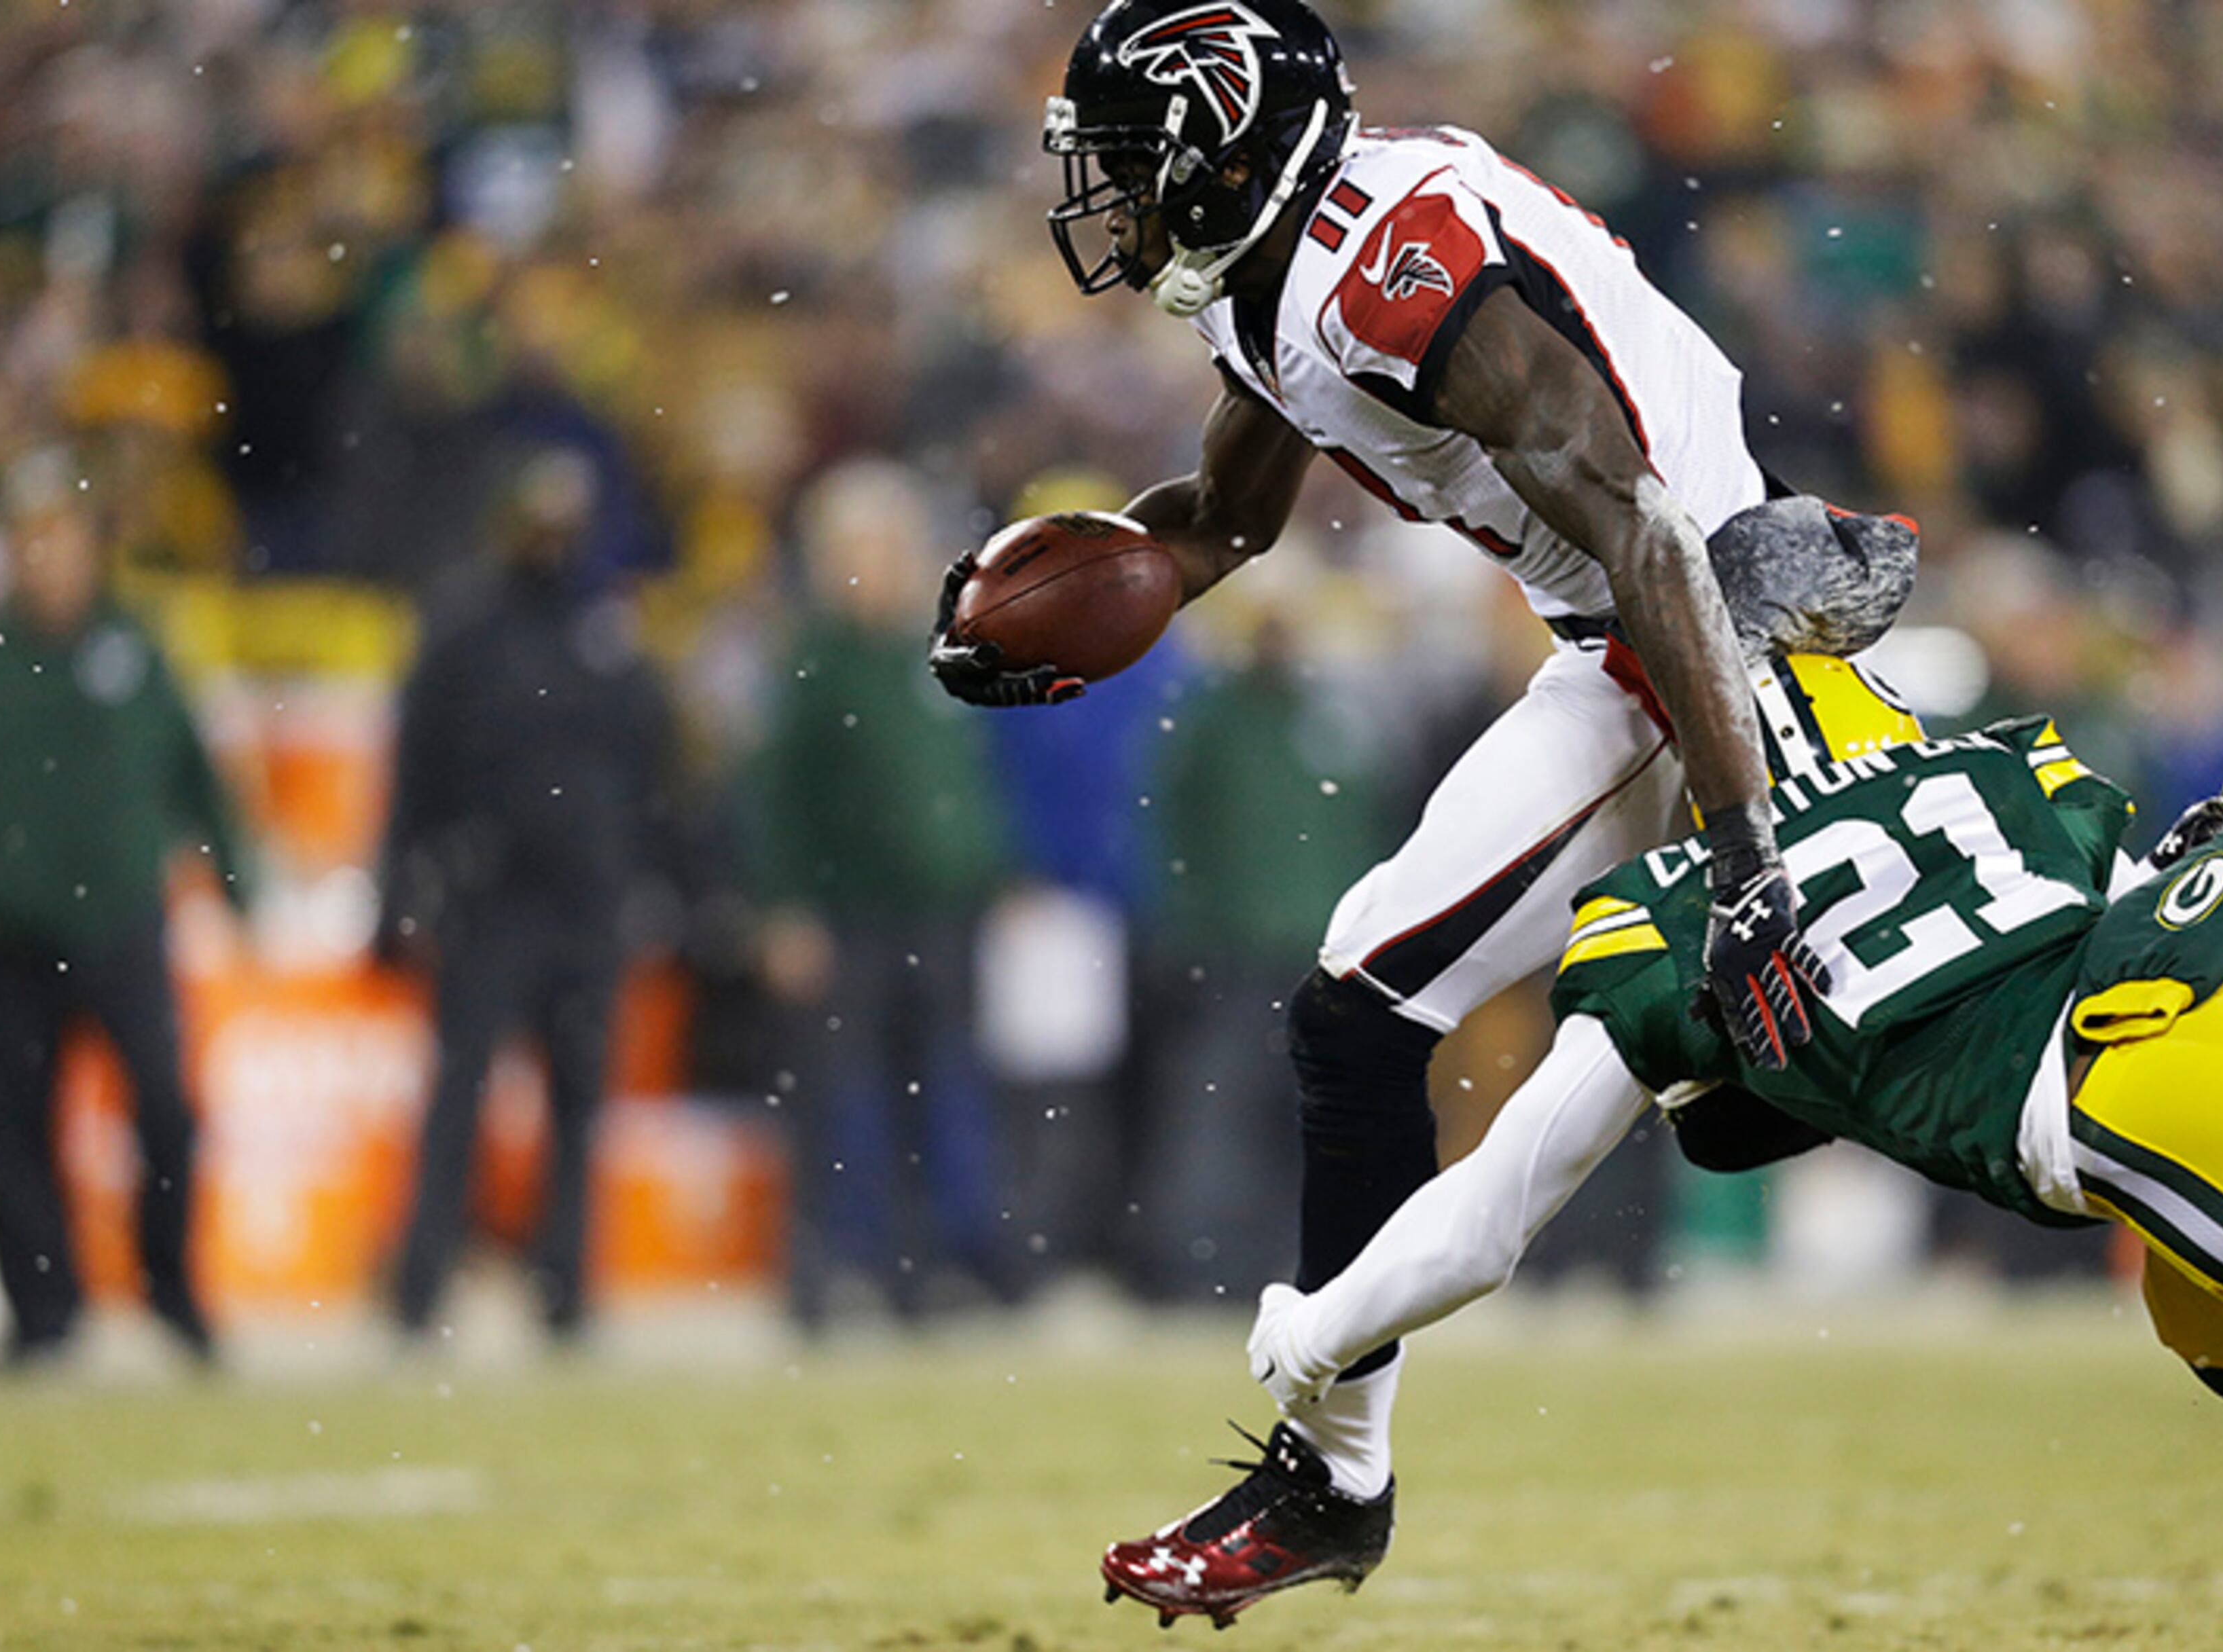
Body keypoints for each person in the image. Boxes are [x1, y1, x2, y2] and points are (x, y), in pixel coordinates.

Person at [932, 0, 1917, 1592]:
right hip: (1632, 630)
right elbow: (1222, 519)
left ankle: (1336, 1465)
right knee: (1362, 1016)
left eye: (1130, 155)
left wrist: (1744, 856)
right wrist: (1058, 597)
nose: (1106, 194)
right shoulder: (1270, 272)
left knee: (1893, 1017)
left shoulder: (1390, 271)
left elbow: (1646, 530)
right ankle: (1333, 1474)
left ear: (1225, 147)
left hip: (1704, 629)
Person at [1174, 701, 2223, 1649]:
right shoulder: (1989, 752)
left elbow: (1487, 1220)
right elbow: (2154, 869)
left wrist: (1315, 1330)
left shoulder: (1658, 911)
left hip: (2160, 1097)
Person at [374, 447, 685, 1342]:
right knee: (461, 1093)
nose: (554, 535)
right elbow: (416, 768)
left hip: (588, 899)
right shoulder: (466, 626)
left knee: (579, 1102)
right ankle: (421, 1284)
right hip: (491, 898)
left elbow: (654, 771)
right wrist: (398, 892)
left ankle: (567, 1287)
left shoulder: (607, 628)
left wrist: (666, 882)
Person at [0, 447, 247, 1365]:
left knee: (166, 1108)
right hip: (11, 934)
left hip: (123, 923)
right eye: (32, 537)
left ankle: (173, 1292)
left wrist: (236, 876)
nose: (48, 556)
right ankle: (45, 1313)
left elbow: (193, 770)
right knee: (18, 1126)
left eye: (62, 536)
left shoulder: (134, 646)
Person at [751, 460, 1014, 1327]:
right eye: (865, 549)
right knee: (845, 1096)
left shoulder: (936, 653)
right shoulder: (813, 664)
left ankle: (926, 1267)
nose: (883, 566)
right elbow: (773, 800)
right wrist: (784, 907)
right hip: (850, 911)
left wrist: (991, 869)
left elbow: (970, 783)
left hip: (938, 914)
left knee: (935, 1089)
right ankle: (832, 1268)